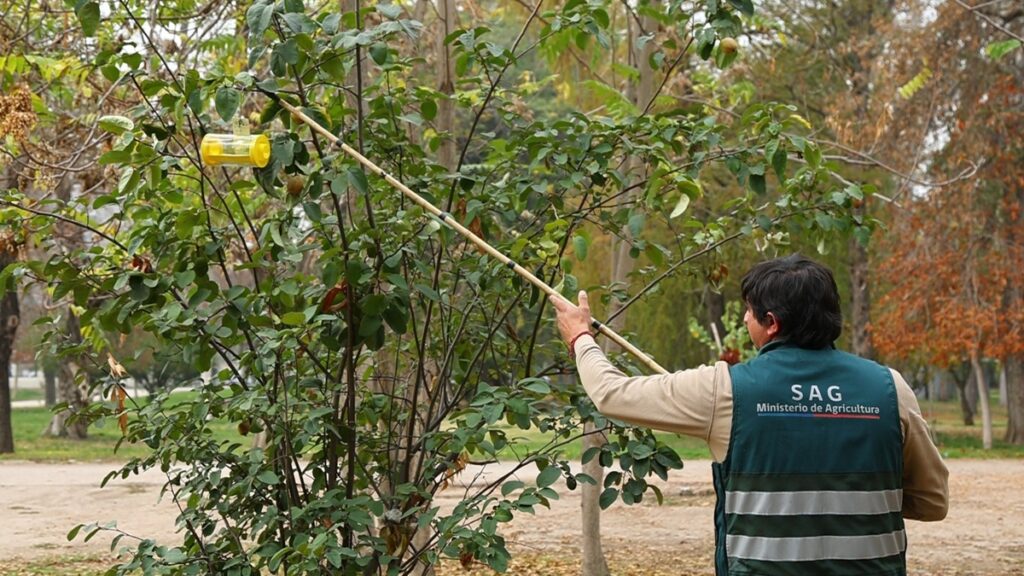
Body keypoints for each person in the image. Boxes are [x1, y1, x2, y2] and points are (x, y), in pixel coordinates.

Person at [550, 254, 948, 576]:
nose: (743, 318)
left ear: (771, 323)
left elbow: (610, 393)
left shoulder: (724, 390)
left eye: (750, 312)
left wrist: (580, 337)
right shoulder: (890, 387)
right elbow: (932, 503)